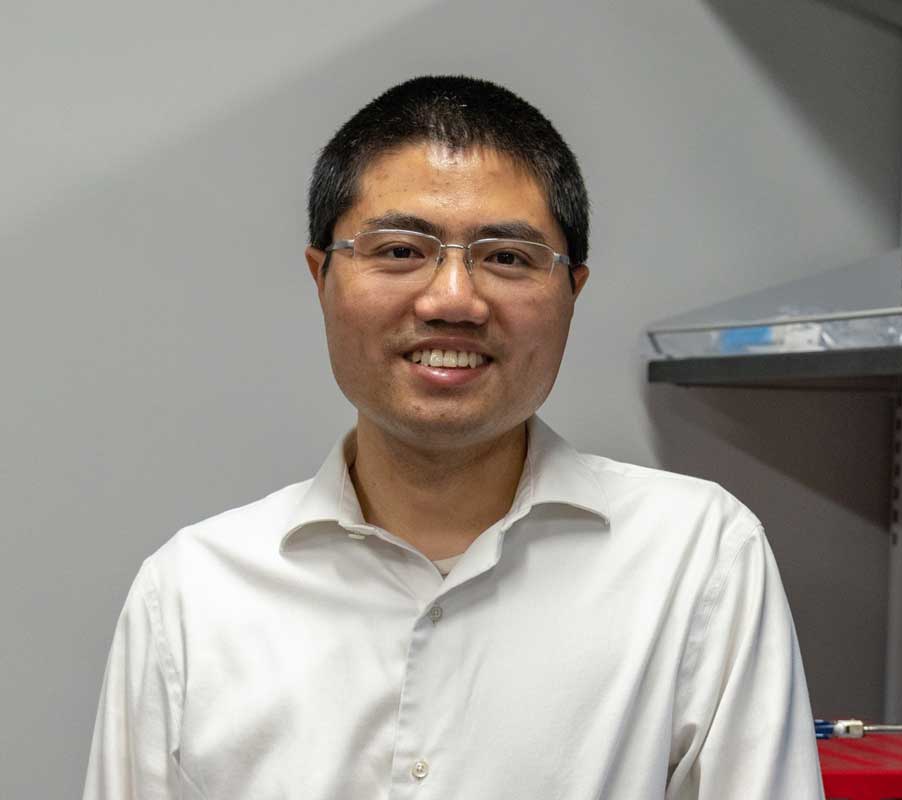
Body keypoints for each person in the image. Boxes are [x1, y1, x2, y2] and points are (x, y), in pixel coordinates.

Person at [83, 75, 824, 799]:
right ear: (322, 279)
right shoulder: (193, 592)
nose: (453, 300)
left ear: (573, 292)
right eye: (402, 250)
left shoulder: (697, 559)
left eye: (506, 257)